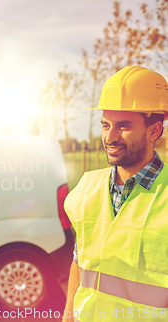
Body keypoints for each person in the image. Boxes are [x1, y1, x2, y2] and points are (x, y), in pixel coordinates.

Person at [63, 66, 168, 322]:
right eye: (105, 125)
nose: (110, 136)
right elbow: (79, 261)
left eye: (123, 126)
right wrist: (67, 316)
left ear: (154, 130)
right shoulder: (87, 187)